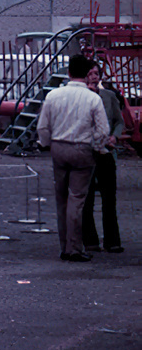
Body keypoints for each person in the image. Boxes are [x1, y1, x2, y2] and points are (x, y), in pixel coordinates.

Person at [35, 55, 112, 262]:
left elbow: (42, 126)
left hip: (59, 147)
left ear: (68, 73)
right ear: (87, 75)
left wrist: (47, 143)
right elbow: (103, 130)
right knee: (76, 200)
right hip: (82, 149)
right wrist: (96, 146)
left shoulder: (53, 95)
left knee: (61, 199)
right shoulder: (93, 98)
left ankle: (64, 246)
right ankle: (75, 248)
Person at [82, 70, 126, 254]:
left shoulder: (108, 96)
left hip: (105, 149)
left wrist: (115, 136)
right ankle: (90, 240)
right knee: (87, 197)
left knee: (109, 197)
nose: (94, 77)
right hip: (86, 150)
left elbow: (119, 121)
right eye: (90, 73)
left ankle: (112, 240)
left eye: (96, 73)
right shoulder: (80, 97)